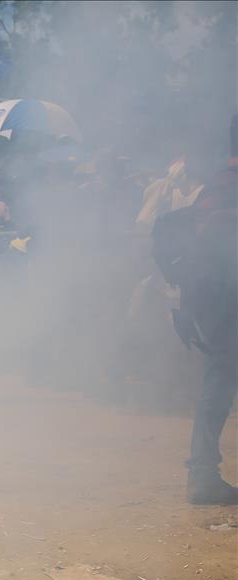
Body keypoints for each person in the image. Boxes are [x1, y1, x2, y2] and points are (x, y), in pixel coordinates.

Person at [152, 131, 238, 505]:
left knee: (218, 380)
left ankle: (202, 473)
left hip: (209, 298)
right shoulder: (227, 186)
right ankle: (202, 475)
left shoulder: (218, 183)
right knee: (219, 379)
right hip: (224, 297)